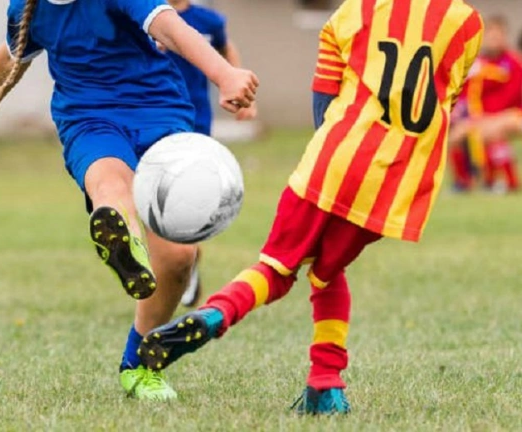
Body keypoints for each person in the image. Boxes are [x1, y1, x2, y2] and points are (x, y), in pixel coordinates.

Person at [139, 0, 482, 415]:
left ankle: (215, 314)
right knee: (327, 271)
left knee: (277, 269)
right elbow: (448, 98)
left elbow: (324, 98)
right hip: (396, 182)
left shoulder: (355, 11)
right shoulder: (467, 22)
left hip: (334, 164)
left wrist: (330, 154)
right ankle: (326, 384)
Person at [0, 0, 258, 401]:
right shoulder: (28, 7)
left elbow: (171, 28)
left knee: (179, 258)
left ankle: (139, 360)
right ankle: (123, 240)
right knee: (109, 184)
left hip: (159, 114)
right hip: (89, 121)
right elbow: (13, 51)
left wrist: (225, 74)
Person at [164, 0, 258, 308]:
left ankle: (187, 255)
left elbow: (226, 49)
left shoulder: (207, 20)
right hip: (154, 115)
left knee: (184, 193)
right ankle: (174, 255)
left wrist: (242, 93)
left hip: (195, 119)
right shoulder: (148, 14)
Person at [448, 16, 522, 193]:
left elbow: (512, 96)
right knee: (457, 135)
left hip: (511, 115)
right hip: (480, 119)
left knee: (496, 129)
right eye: (490, 35)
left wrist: (489, 118)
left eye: (498, 35)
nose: (494, 39)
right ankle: (466, 182)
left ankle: (507, 180)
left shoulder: (513, 63)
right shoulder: (476, 64)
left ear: (504, 37)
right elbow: (463, 94)